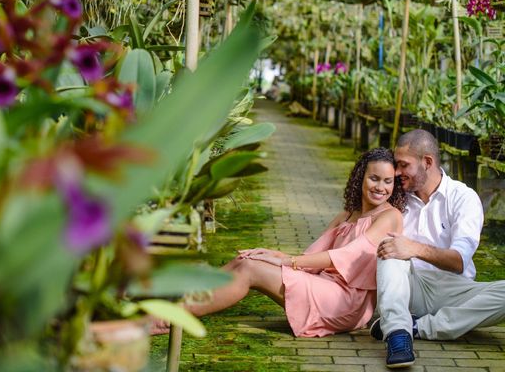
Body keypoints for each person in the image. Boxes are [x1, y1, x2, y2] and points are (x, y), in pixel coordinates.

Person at [154, 147, 405, 337]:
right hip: (324, 286)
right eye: (374, 178)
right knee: (248, 259)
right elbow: (312, 256)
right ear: (361, 177)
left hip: (346, 302)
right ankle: (179, 299)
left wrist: (287, 261)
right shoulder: (346, 215)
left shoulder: (389, 217)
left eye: (388, 181)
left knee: (251, 271)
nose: (380, 187)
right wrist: (271, 254)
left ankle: (166, 319)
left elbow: (348, 255)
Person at [372, 129, 505, 368]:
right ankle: (398, 335)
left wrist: (414, 248)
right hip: (408, 287)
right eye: (396, 165)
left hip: (454, 290)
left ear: (428, 162)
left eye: (404, 165)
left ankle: (418, 327)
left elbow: (458, 261)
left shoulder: (463, 198)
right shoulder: (396, 197)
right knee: (390, 250)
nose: (397, 172)